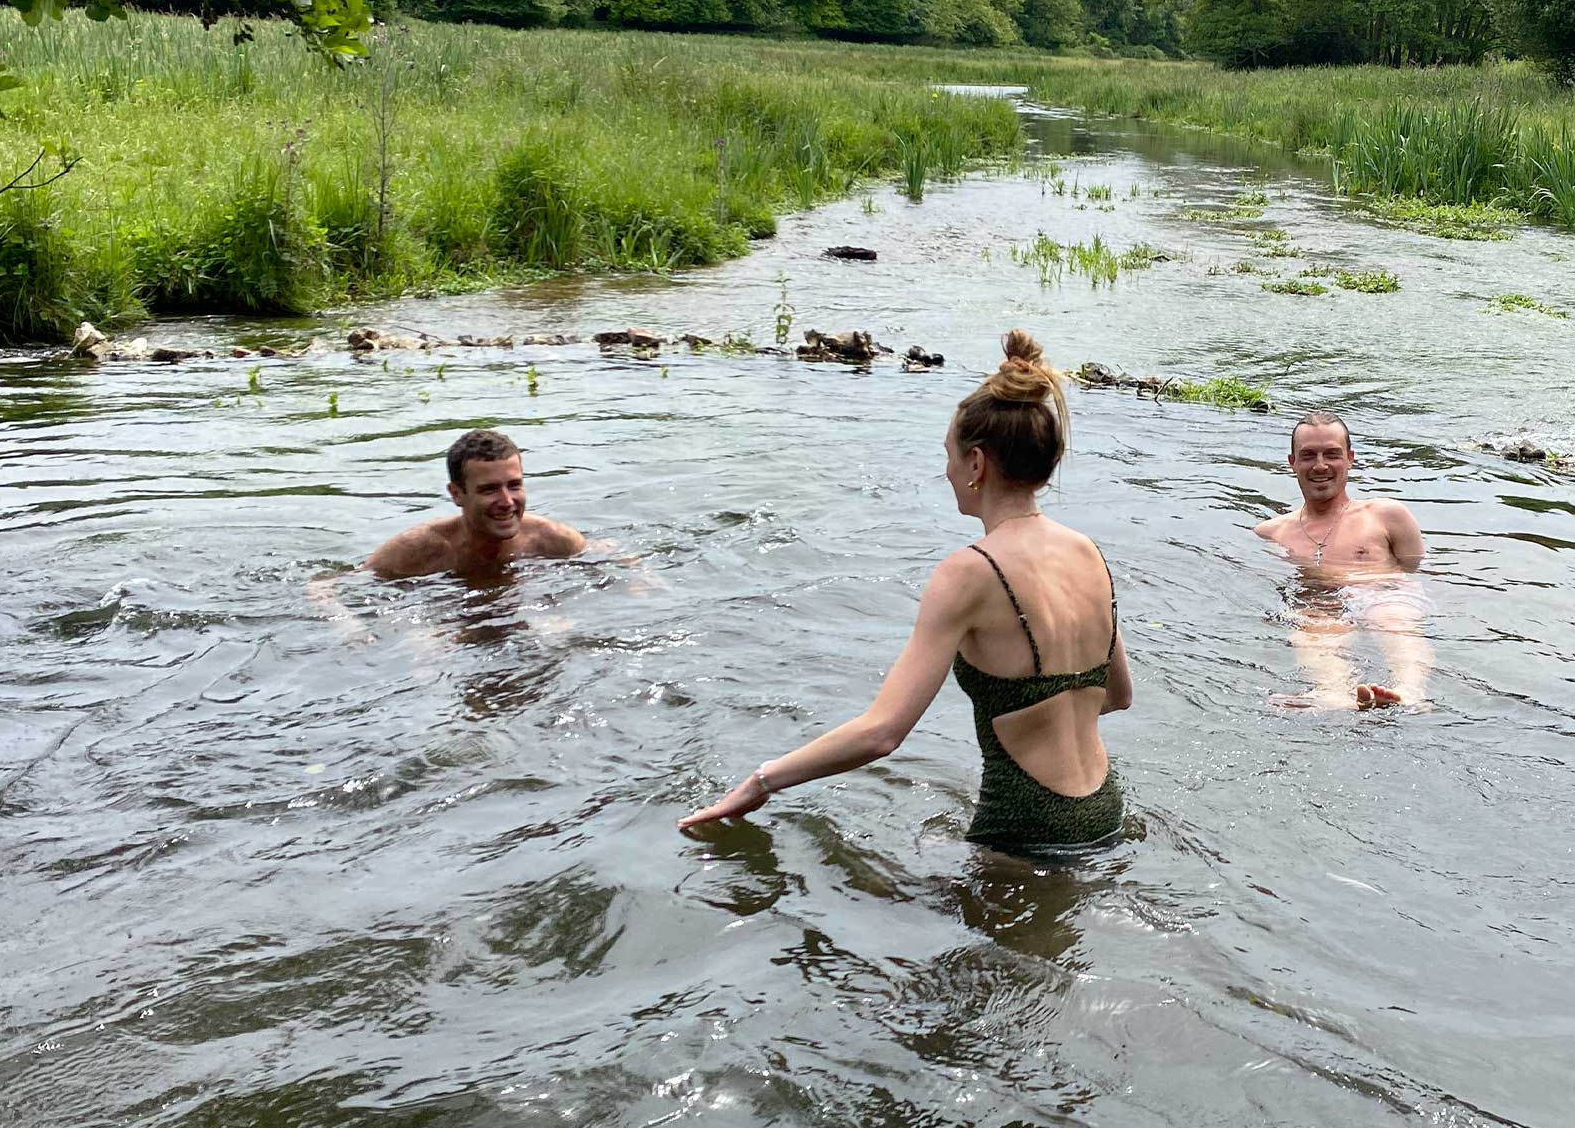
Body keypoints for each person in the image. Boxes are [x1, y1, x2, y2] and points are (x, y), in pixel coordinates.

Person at [678, 330, 1133, 850]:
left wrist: (761, 782)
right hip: (1105, 810)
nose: (946, 471)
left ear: (977, 463)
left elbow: (881, 733)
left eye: (950, 455)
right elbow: (1118, 696)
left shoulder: (970, 572)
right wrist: (1047, 716)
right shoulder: (1088, 553)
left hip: (1027, 822)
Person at [1255, 411, 1432, 710]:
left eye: (1332, 454)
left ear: (1350, 458)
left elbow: (1415, 572)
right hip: (1323, 601)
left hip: (1384, 592)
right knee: (1312, 629)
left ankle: (1410, 692)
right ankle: (1334, 692)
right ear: (1292, 463)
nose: (1320, 465)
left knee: (1392, 618)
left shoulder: (1387, 514)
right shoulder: (1273, 532)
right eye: (1308, 455)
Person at [364, 428, 587, 580]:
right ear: (456, 494)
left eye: (514, 485)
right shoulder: (418, 549)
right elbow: (337, 588)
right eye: (489, 489)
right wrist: (353, 631)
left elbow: (611, 560)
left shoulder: (551, 539)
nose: (507, 502)